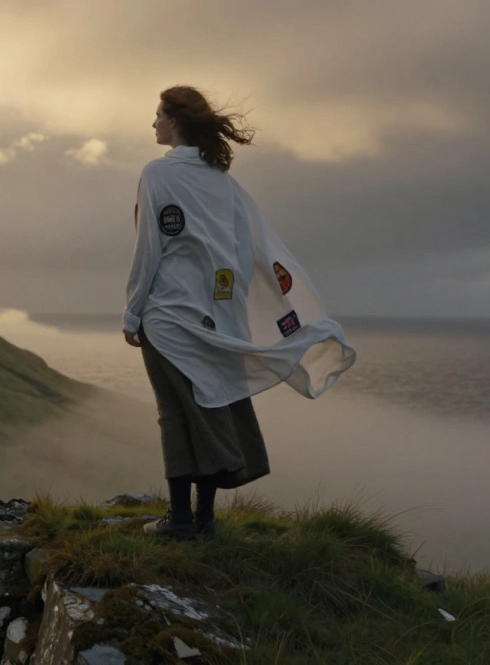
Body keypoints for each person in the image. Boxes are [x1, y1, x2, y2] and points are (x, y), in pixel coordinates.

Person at [123, 85, 357, 542]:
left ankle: (180, 521)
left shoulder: (157, 175)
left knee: (175, 414)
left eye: (158, 115)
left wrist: (133, 314)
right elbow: (243, 252)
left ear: (176, 121)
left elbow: (149, 248)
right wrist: (229, 314)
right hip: (216, 320)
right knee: (214, 405)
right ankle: (204, 520)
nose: (153, 124)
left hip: (169, 318)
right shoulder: (224, 184)